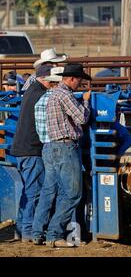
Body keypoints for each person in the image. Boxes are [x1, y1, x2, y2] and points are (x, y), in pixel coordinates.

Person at [35, 63, 91, 248]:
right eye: (80, 80)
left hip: (51, 147)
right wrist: (86, 101)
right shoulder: (65, 94)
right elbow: (82, 118)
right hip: (65, 146)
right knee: (73, 194)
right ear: (73, 78)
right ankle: (54, 233)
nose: (80, 84)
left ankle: (40, 232)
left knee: (52, 190)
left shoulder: (52, 95)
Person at [10, 64, 53, 242]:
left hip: (23, 149)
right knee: (34, 190)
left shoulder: (30, 92)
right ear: (45, 79)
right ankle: (27, 230)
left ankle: (21, 229)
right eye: (52, 80)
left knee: (29, 190)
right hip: (32, 149)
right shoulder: (41, 95)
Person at [31, 67, 64, 245]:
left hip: (46, 147)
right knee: (68, 191)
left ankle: (37, 232)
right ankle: (56, 231)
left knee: (47, 191)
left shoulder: (40, 100)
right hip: (59, 146)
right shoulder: (58, 99)